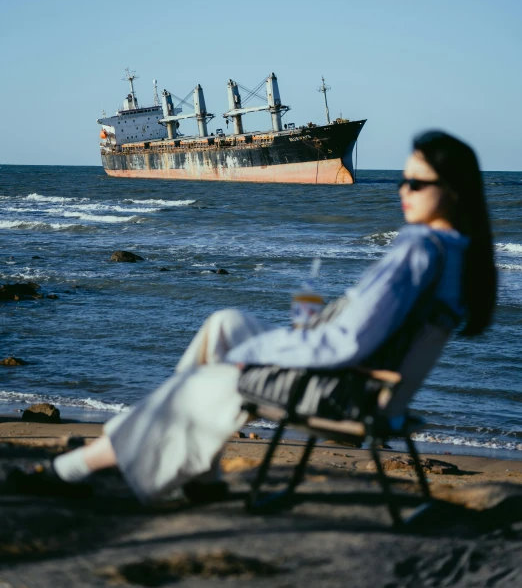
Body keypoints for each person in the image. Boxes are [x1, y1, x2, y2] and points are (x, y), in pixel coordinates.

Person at [9, 130, 496, 501]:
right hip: (372, 382)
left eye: (415, 182)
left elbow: (345, 344)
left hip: (342, 385)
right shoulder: (459, 255)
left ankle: (72, 470)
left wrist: (253, 355)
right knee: (223, 322)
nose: (400, 190)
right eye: (401, 178)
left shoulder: (419, 249)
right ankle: (204, 473)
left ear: (450, 190)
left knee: (219, 364)